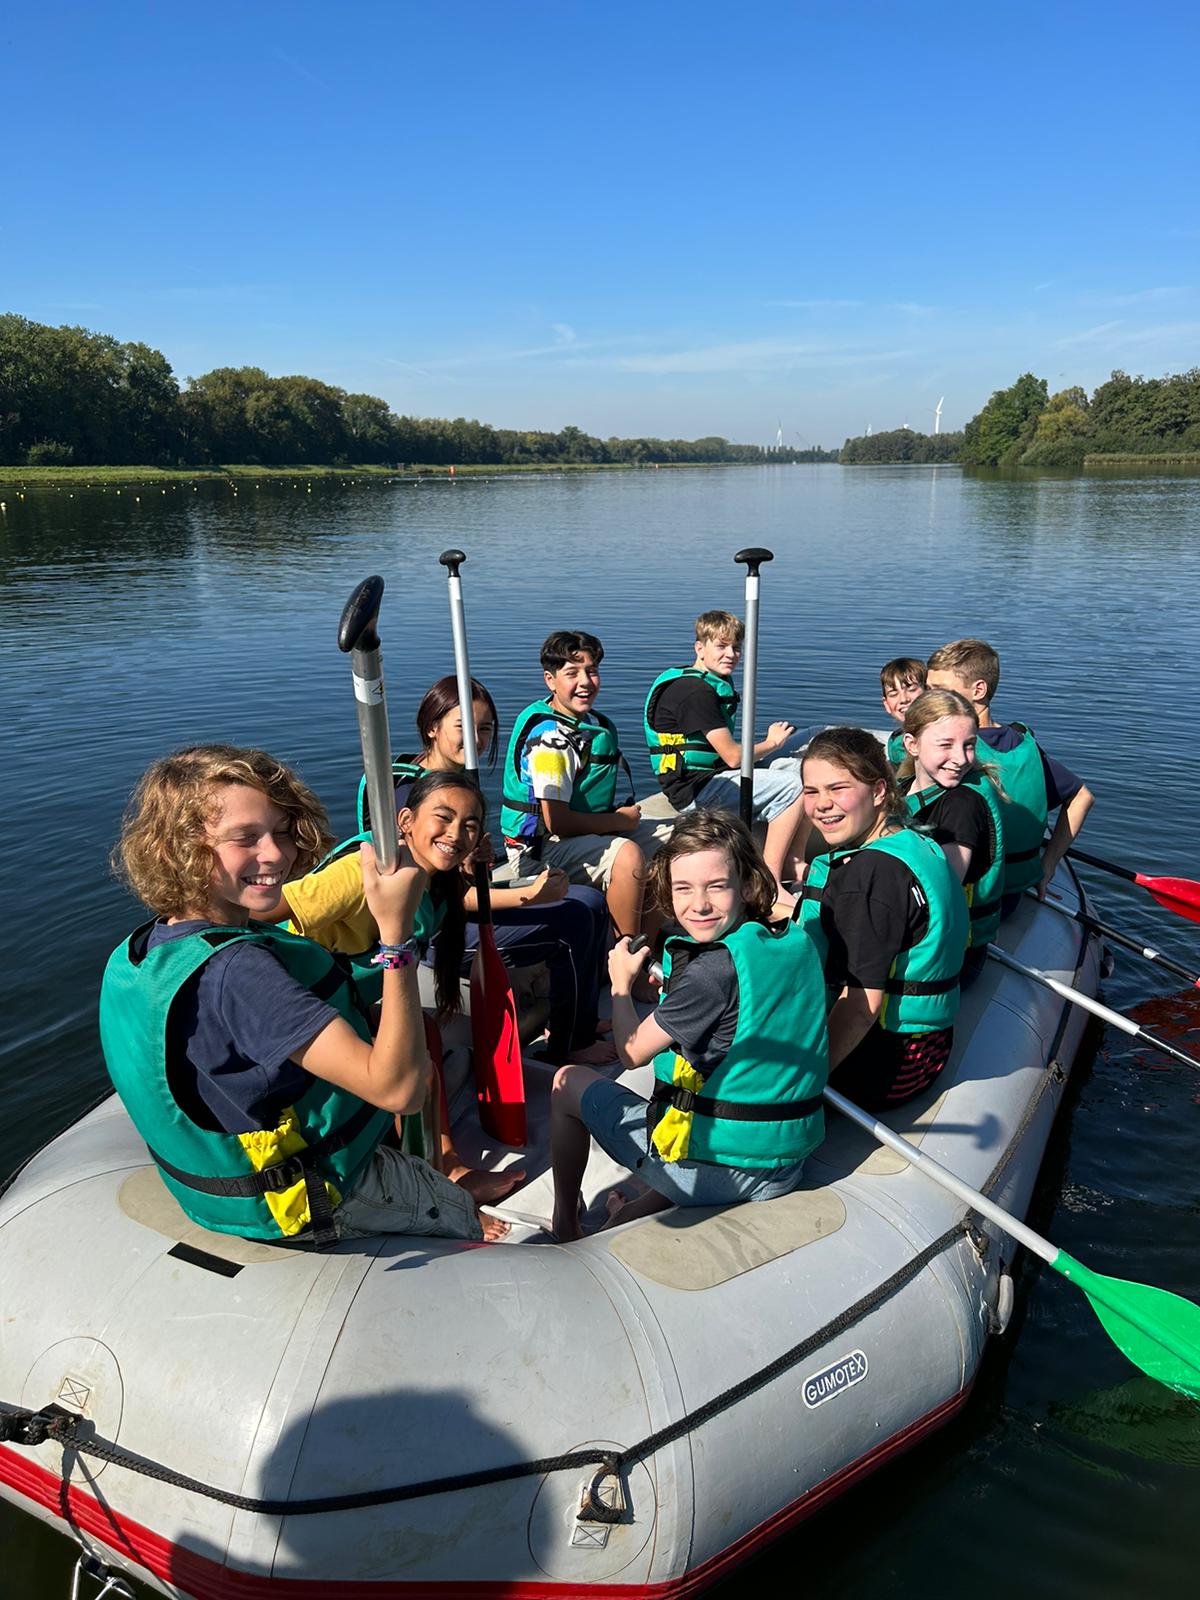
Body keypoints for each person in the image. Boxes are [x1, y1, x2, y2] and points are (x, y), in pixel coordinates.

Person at [99, 746, 507, 1246]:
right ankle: (462, 1214)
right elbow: (399, 1091)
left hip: (217, 1189)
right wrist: (395, 936)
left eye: (282, 831)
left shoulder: (151, 946)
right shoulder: (240, 973)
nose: (275, 854)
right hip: (310, 1194)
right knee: (462, 1217)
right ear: (180, 849)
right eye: (245, 838)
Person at [548, 811, 829, 1240]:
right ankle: (626, 1213)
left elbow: (632, 1052)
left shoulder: (709, 974)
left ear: (746, 884)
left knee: (567, 1083)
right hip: (785, 1157)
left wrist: (621, 983)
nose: (698, 904)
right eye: (684, 889)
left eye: (716, 886)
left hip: (727, 1169)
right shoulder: (792, 940)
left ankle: (565, 1220)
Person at [274, 769, 527, 1205]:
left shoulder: (438, 887)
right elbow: (274, 911)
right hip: (296, 1009)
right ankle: (426, 1189)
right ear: (405, 821)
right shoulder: (361, 871)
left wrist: (470, 866)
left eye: (469, 825)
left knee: (425, 1035)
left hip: (344, 1000)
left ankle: (446, 1163)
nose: (456, 833)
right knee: (416, 1065)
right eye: (443, 818)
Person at [361, 674, 614, 1066]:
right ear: (432, 728)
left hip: (459, 905)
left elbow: (457, 874)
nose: (477, 740)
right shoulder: (408, 795)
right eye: (464, 727)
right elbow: (442, 896)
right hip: (434, 933)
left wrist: (473, 855)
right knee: (574, 923)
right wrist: (533, 895)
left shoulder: (456, 784)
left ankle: (580, 1014)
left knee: (592, 901)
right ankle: (570, 1041)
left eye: (485, 730)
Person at [797, 728, 968, 1110]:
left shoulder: (871, 874)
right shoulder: (911, 840)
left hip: (889, 1063)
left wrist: (802, 1088)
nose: (822, 804)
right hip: (928, 1045)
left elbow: (862, 1007)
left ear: (878, 791)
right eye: (811, 792)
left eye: (837, 788)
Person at [500, 630, 672, 939]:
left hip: (574, 835)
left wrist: (615, 822)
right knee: (628, 855)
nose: (585, 682)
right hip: (536, 851)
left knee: (679, 841)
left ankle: (648, 944)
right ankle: (624, 956)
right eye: (572, 673)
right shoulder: (551, 740)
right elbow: (557, 822)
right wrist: (619, 820)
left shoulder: (584, 726)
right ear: (550, 681)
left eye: (592, 671)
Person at [643, 609, 810, 893]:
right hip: (695, 792)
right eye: (721, 646)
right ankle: (769, 877)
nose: (730, 654)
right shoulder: (695, 693)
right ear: (700, 648)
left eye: (736, 647)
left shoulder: (702, 682)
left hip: (709, 777)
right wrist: (772, 742)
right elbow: (733, 757)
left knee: (800, 770)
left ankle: (794, 861)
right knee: (796, 786)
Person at [925, 638, 1094, 912]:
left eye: (939, 689)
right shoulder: (1022, 745)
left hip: (973, 894)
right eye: (928, 688)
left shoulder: (952, 753)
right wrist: (1048, 864)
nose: (928, 697)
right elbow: (1082, 796)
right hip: (1014, 889)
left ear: (978, 689)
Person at [897, 688, 1007, 984]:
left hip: (946, 957)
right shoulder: (902, 789)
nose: (960, 758)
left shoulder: (962, 805)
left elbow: (940, 888)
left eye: (969, 745)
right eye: (946, 745)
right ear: (912, 744)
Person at [879, 656, 927, 766]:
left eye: (912, 690)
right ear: (886, 705)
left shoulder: (944, 735)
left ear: (928, 692)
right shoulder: (896, 742)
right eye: (893, 694)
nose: (904, 699)